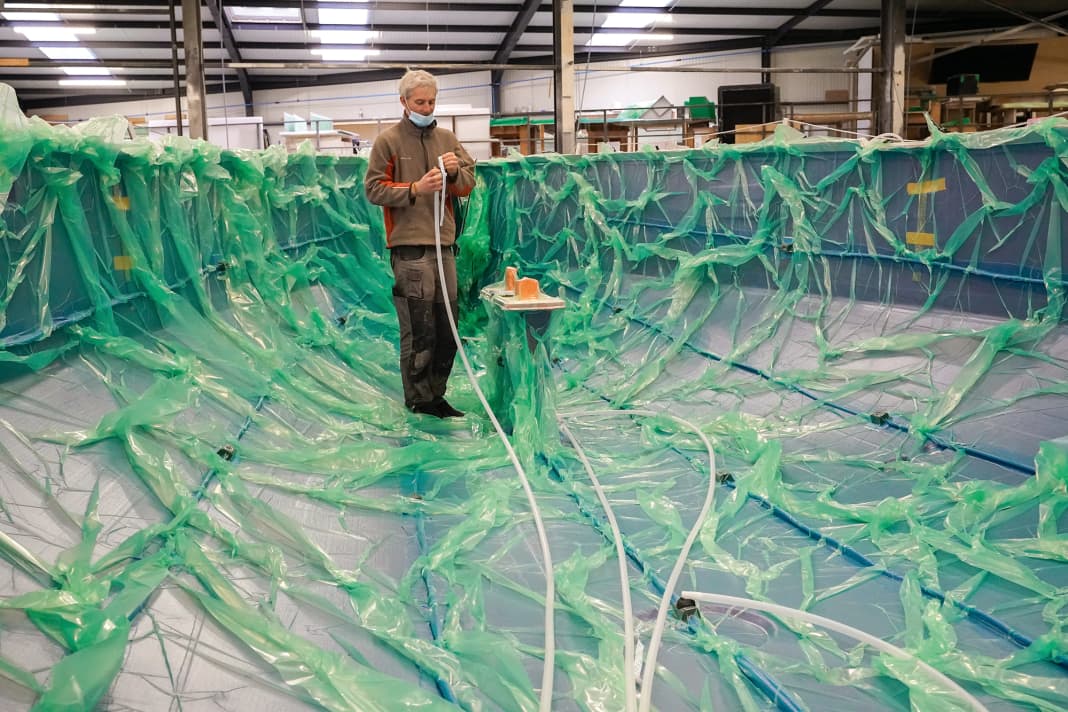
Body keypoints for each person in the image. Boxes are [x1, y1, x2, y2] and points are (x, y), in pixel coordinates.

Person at [365, 69, 476, 418]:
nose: (426, 108)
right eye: (419, 102)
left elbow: (469, 183)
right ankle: (418, 399)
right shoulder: (388, 141)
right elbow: (373, 189)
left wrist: (456, 171)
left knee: (448, 328)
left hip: (445, 247)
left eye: (431, 101)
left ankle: (436, 395)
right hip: (410, 248)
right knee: (419, 328)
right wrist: (415, 189)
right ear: (403, 102)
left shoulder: (447, 138)